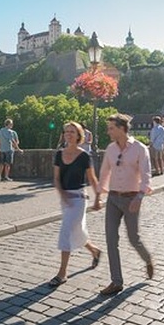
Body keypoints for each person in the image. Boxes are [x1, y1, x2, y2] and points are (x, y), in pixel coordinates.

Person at [94, 113, 154, 296]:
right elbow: (104, 172)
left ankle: (148, 259)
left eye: (111, 128)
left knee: (133, 238)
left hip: (131, 199)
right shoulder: (111, 149)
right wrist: (98, 195)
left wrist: (139, 197)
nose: (108, 131)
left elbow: (146, 175)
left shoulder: (139, 149)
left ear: (122, 129)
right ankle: (116, 281)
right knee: (111, 239)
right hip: (113, 198)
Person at [48, 122, 102, 287]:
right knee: (77, 231)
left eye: (72, 132)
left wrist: (98, 197)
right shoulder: (59, 154)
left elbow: (92, 179)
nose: (69, 134)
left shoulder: (84, 156)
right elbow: (56, 178)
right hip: (65, 198)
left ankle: (62, 273)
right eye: (66, 132)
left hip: (78, 199)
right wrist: (62, 194)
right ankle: (94, 251)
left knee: (66, 233)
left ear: (79, 135)